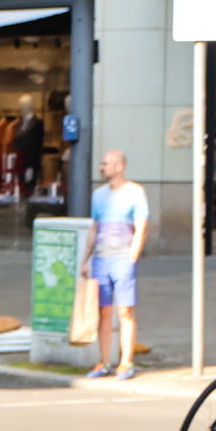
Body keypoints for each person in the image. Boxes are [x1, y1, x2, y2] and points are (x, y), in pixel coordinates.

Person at [87, 148, 150, 380]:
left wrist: (132, 256)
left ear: (119, 166)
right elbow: (95, 228)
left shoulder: (135, 193)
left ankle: (126, 362)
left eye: (105, 163)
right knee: (103, 312)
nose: (102, 167)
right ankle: (104, 361)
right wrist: (86, 259)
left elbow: (141, 226)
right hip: (101, 260)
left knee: (125, 311)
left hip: (122, 259)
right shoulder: (99, 195)